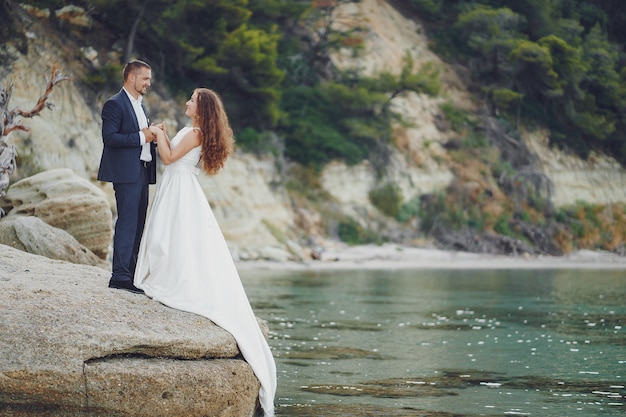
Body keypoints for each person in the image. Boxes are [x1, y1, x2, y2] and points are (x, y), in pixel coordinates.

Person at [134, 88, 276, 416]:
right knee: (177, 238)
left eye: (192, 99)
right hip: (179, 185)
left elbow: (169, 159)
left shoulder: (194, 132)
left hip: (179, 186)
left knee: (175, 238)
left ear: (201, 107)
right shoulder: (197, 131)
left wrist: (158, 135)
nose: (186, 102)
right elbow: (172, 159)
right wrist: (164, 137)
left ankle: (170, 277)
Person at [98, 60, 157, 294]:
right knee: (127, 222)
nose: (149, 83)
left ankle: (130, 274)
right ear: (131, 78)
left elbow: (140, 135)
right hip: (126, 173)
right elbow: (110, 138)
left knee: (139, 223)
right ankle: (120, 277)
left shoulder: (140, 106)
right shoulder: (114, 104)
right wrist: (143, 137)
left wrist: (153, 133)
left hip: (142, 171)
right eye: (145, 78)